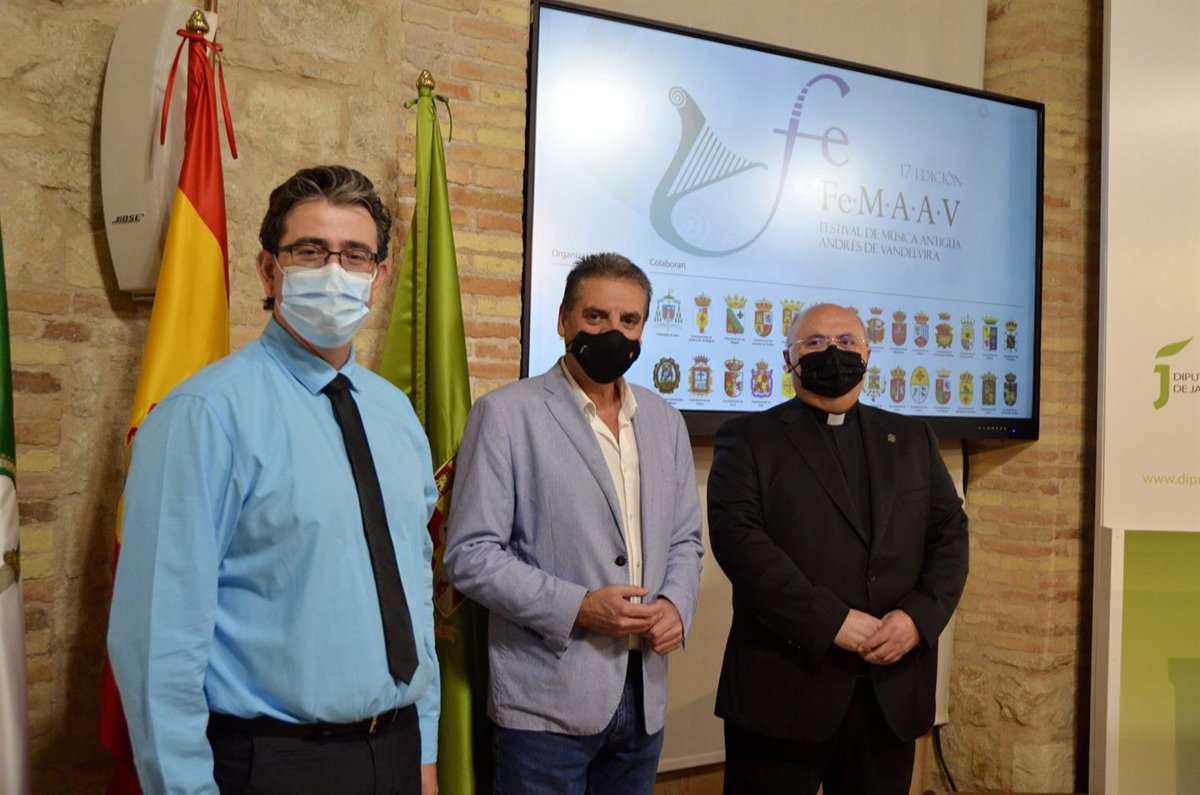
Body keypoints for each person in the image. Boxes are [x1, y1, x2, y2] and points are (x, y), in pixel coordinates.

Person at [107, 165, 440, 795]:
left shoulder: (396, 415)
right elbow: (157, 643)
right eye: (310, 251)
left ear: (378, 277)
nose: (335, 271)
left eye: (355, 255)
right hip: (276, 763)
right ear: (268, 270)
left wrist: (423, 750)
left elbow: (413, 593)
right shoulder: (203, 416)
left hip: (396, 751)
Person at [443, 252, 704, 795]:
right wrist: (578, 607)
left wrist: (676, 605)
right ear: (564, 320)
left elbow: (685, 539)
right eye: (596, 317)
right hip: (544, 703)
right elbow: (469, 555)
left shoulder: (665, 419)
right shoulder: (505, 414)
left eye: (629, 320)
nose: (614, 333)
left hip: (644, 696)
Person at [707, 302, 969, 795]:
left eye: (847, 341)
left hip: (888, 693)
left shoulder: (912, 437)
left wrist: (917, 619)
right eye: (814, 342)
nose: (833, 352)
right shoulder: (747, 438)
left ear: (867, 354)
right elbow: (740, 544)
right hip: (783, 693)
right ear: (788, 359)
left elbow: (950, 533)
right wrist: (831, 621)